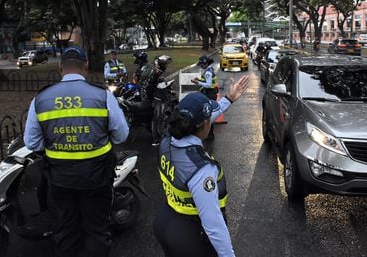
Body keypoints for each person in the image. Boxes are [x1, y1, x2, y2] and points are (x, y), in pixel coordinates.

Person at [24, 46, 129, 257]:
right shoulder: (103, 96)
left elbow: (32, 143)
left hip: (60, 180)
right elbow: (121, 135)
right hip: (97, 178)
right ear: (87, 67)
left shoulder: (41, 100)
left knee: (65, 232)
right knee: (97, 231)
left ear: (60, 67)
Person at [153, 75, 250, 257]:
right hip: (190, 237)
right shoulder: (201, 169)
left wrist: (228, 99)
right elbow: (213, 225)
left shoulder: (168, 137)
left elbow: (205, 118)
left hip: (165, 222)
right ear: (205, 125)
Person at [138, 54, 172, 146]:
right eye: (165, 64)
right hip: (158, 100)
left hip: (158, 98)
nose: (166, 66)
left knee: (157, 119)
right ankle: (156, 139)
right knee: (157, 119)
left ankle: (157, 137)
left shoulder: (157, 72)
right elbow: (152, 86)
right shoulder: (156, 73)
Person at [192, 55, 219, 139]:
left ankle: (210, 134)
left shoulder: (208, 72)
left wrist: (198, 83)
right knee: (208, 113)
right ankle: (209, 133)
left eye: (201, 64)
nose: (201, 66)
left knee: (208, 114)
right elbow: (207, 81)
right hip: (210, 93)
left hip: (209, 93)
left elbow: (208, 85)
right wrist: (199, 79)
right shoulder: (209, 69)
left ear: (206, 63)